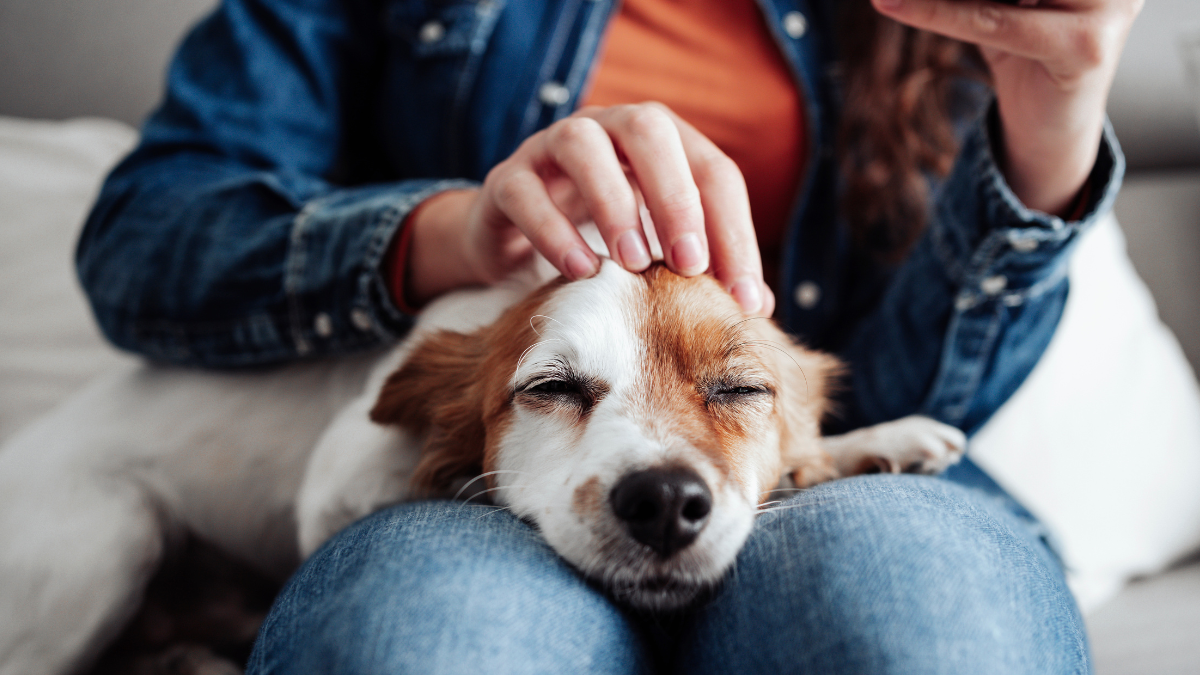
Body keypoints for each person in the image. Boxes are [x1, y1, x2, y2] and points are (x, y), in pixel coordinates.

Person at [78, 0, 1137, 671]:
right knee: (434, 645)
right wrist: (451, 231)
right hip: (479, 504)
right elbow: (139, 240)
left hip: (805, 481)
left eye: (727, 386)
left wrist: (1049, 141)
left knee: (920, 623)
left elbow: (909, 399)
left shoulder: (930, 17)